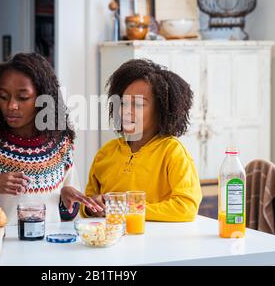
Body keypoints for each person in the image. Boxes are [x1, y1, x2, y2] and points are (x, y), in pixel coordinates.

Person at [0, 53, 102, 224]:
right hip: (5, 249)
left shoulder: (61, 146)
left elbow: (70, 217)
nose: (11, 106)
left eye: (23, 98)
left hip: (50, 249)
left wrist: (66, 200)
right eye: (3, 97)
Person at [83, 59, 202, 222]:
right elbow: (87, 202)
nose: (126, 111)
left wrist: (127, 209)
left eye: (138, 105)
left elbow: (186, 207)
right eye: (123, 103)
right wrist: (92, 208)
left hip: (156, 244)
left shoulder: (173, 152)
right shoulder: (105, 153)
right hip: (113, 242)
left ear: (161, 110)